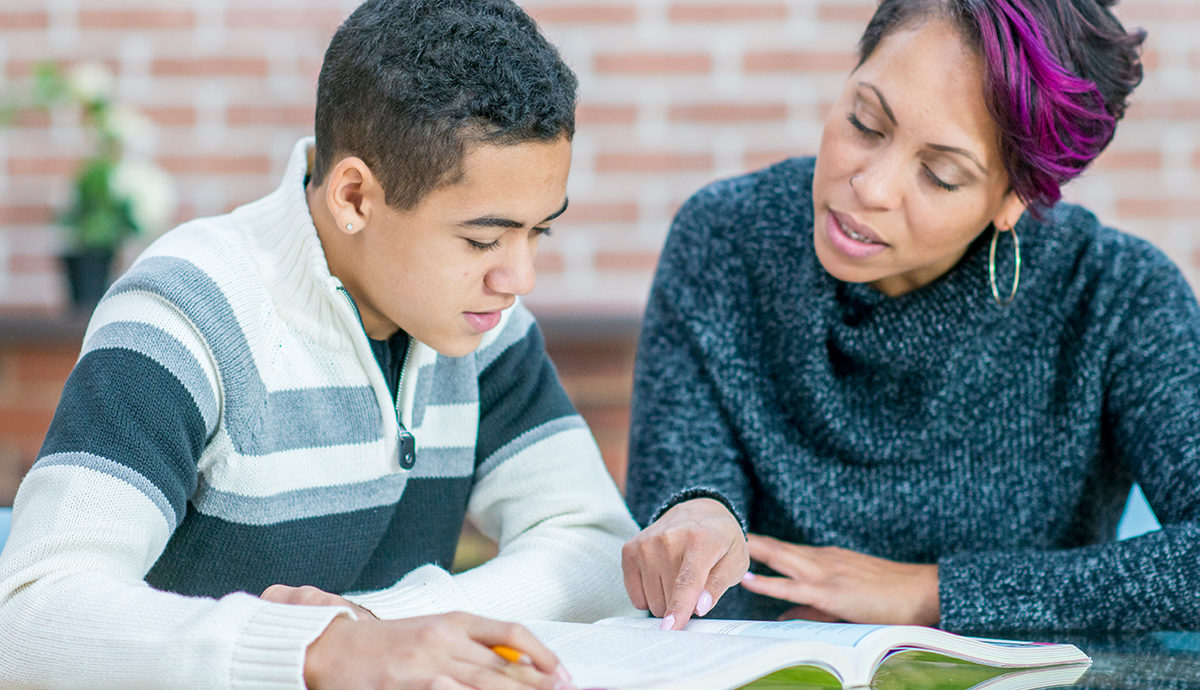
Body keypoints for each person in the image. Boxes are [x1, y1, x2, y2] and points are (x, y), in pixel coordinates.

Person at [0, 1, 639, 687]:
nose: (520, 278)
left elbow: (598, 550)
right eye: (483, 239)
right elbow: (28, 617)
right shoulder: (185, 315)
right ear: (356, 197)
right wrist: (314, 651)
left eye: (540, 231)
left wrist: (381, 628)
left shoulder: (490, 330)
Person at [621, 0, 1199, 636]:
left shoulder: (1117, 295)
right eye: (866, 122)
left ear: (1017, 198)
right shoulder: (726, 238)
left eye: (941, 173)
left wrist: (933, 593)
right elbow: (684, 485)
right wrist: (696, 515)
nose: (870, 186)